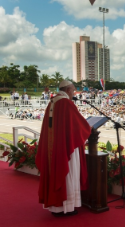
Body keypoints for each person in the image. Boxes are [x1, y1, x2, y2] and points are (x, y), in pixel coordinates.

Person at [35, 80, 91, 217]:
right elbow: (78, 125)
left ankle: (56, 207)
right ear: (67, 90)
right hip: (66, 147)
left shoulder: (52, 102)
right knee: (68, 172)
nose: (74, 93)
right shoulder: (66, 103)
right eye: (73, 90)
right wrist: (88, 128)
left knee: (57, 172)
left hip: (54, 146)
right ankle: (66, 207)